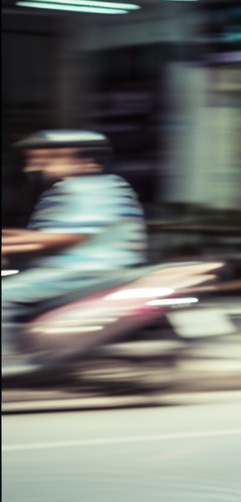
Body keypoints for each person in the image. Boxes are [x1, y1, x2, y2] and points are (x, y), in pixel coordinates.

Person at [2, 130, 146, 370]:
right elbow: (44, 236)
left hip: (86, 269)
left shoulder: (88, 188)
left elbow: (69, 236)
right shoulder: (81, 187)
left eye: (46, 158)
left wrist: (9, 245)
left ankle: (8, 361)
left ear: (86, 160)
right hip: (72, 269)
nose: (33, 166)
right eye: (33, 158)